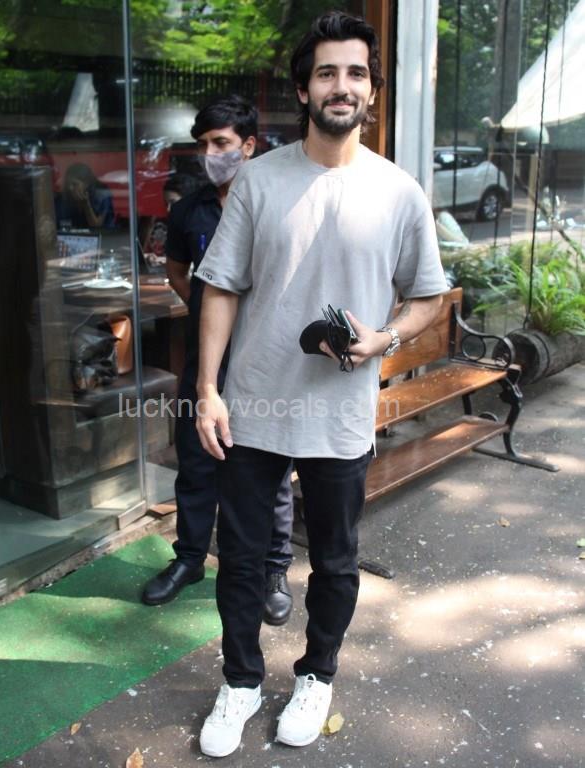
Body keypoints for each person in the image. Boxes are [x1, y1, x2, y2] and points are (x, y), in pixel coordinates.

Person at [193, 12, 448, 758]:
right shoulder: (258, 180)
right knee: (242, 559)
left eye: (356, 72)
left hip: (340, 412)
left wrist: (383, 338)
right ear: (304, 89)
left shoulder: (399, 192)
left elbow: (428, 297)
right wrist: (207, 389)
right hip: (254, 406)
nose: (342, 85)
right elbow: (221, 287)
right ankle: (240, 681)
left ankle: (317, 675)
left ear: (371, 89)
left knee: (334, 560)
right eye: (327, 72)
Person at [141, 96, 294, 628]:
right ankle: (189, 559)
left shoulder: (280, 205)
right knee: (196, 462)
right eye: (204, 144)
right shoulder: (189, 210)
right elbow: (176, 271)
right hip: (205, 364)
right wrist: (208, 318)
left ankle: (274, 569)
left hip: (267, 362)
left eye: (221, 142)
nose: (210, 153)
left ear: (248, 145)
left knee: (271, 469)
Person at [55, 162, 116, 230]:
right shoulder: (62, 199)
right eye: (68, 184)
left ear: (86, 183)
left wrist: (86, 204)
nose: (70, 188)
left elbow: (97, 226)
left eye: (74, 184)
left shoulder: (101, 195)